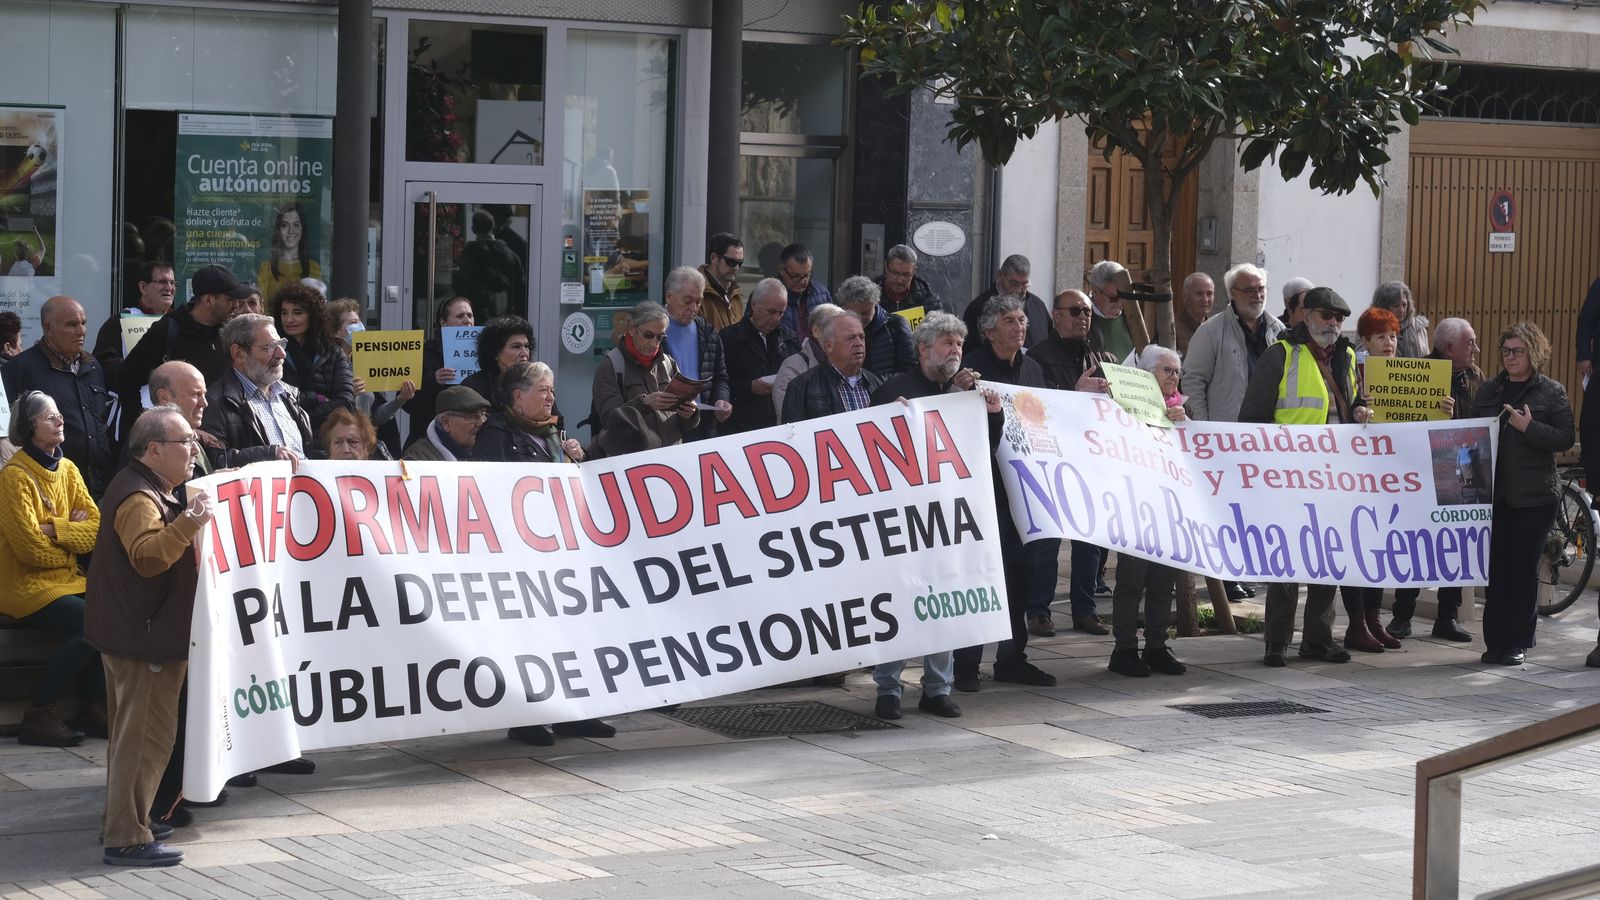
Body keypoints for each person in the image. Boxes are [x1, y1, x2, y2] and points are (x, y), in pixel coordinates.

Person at [85, 405, 212, 868]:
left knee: (132, 740)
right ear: (154, 450)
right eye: (185, 443)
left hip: (137, 634)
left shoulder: (145, 487)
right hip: (145, 640)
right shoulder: (139, 497)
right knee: (145, 741)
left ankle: (126, 823)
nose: (193, 449)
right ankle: (126, 838)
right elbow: (148, 558)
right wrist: (191, 522)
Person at [1239, 287, 1374, 667]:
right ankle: (1276, 642)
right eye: (1325, 316)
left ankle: (1318, 639)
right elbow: (1252, 418)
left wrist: (1361, 410)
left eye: (1338, 319)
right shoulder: (1280, 354)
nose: (1332, 324)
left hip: (1335, 476)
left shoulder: (1346, 356)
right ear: (1306, 316)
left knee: (1326, 557)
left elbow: (1352, 400)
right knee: (1285, 560)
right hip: (1288, 476)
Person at [866, 312, 985, 720]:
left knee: (946, 599)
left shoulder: (967, 391)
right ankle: (888, 689)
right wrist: (949, 396)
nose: (956, 350)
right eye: (947, 342)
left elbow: (983, 446)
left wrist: (994, 412)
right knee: (900, 601)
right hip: (902, 517)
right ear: (923, 348)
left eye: (959, 343)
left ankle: (937, 687)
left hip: (950, 512)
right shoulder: (893, 390)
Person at [953, 295, 1056, 690]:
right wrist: (956, 390)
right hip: (983, 488)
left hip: (1023, 490)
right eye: (1010, 320)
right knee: (980, 574)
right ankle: (965, 666)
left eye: (1023, 319)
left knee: (1021, 573)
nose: (1020, 326)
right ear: (989, 329)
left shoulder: (1031, 367)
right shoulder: (970, 370)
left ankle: (1012, 658)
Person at [0, 391, 103, 746]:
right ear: (30, 427)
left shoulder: (69, 469)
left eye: (59, 414)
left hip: (66, 580)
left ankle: (94, 706)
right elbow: (29, 549)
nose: (60, 421)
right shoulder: (15, 477)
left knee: (114, 609)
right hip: (25, 585)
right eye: (50, 417)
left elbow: (95, 530)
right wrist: (70, 549)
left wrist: (57, 529)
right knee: (91, 621)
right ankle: (39, 713)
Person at [1180, 262, 1284, 605]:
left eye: (1261, 290)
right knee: (1227, 510)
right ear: (1232, 295)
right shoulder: (1211, 331)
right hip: (1224, 436)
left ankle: (1250, 568)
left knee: (1257, 508)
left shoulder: (1278, 331)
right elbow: (1193, 380)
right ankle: (1227, 577)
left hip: (1265, 438)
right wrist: (1205, 432)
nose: (1256, 296)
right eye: (1249, 290)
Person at [1474, 323, 1573, 667]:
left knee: (1522, 570)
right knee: (1496, 571)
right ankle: (1494, 642)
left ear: (1534, 352)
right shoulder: (1489, 390)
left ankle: (1517, 641)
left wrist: (1529, 428)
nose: (1511, 357)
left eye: (1518, 351)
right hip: (1494, 495)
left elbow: (1564, 437)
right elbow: (1471, 432)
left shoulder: (1550, 392)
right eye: (1506, 351)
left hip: (1535, 497)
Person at [1025, 289, 1116, 636]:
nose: (1083, 318)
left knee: (1090, 539)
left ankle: (1085, 609)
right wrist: (1074, 394)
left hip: (1091, 457)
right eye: (1075, 311)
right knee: (1048, 541)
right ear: (1056, 315)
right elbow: (1033, 406)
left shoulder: (1104, 355)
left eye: (1088, 312)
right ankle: (1039, 611)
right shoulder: (1038, 356)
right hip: (1051, 457)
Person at [1387, 317, 1481, 642]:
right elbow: (1401, 420)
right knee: (1418, 544)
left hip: (1461, 470)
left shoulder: (1475, 378)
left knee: (1455, 546)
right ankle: (1402, 615)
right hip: (1423, 473)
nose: (1476, 349)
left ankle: (1448, 617)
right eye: (1470, 343)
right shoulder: (1419, 375)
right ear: (1447, 347)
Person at [1108, 346, 1190, 678]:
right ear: (1147, 375)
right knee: (1132, 581)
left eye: (1177, 371)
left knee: (1162, 582)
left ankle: (1156, 646)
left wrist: (1183, 425)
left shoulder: (1182, 411)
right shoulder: (1124, 409)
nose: (1174, 377)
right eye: (1167, 370)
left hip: (1168, 509)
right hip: (1135, 508)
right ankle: (1124, 649)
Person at [1336, 308, 1412, 654]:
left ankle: (1373, 618)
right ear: (1365, 340)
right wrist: (1359, 407)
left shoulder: (1409, 371)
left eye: (1393, 336)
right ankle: (1357, 622)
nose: (1389, 343)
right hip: (1357, 471)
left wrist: (1442, 409)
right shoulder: (1354, 367)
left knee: (1379, 548)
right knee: (1357, 545)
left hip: (1389, 474)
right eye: (1381, 336)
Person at [2, 296, 114, 497]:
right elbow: (10, 434)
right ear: (48, 328)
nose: (81, 331)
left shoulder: (93, 365)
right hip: (48, 487)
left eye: (83, 323)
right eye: (72, 324)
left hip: (97, 485)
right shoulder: (20, 369)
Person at [119, 264, 247, 414]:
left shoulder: (229, 333)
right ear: (209, 300)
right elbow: (126, 379)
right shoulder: (168, 329)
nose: (237, 305)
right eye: (230, 299)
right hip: (182, 435)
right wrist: (146, 421)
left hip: (224, 432)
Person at [590, 301, 700, 453]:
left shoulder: (668, 363)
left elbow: (684, 424)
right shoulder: (610, 367)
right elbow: (610, 420)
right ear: (631, 329)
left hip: (672, 457)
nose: (654, 343)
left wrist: (690, 414)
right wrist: (644, 404)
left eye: (660, 337)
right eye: (648, 336)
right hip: (633, 463)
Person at [201, 313, 313, 459]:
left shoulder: (288, 395)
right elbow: (216, 460)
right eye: (270, 347)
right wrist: (268, 455)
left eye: (281, 344)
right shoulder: (214, 402)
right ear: (238, 354)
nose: (282, 354)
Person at [719, 278, 798, 435]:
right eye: (771, 312)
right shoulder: (728, 338)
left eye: (781, 313)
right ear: (754, 304)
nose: (776, 318)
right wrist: (749, 387)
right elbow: (719, 384)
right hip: (740, 427)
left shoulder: (791, 339)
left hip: (781, 427)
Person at [273, 282, 354, 435]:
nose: (289, 319)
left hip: (327, 439)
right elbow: (275, 400)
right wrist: (318, 398)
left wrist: (304, 416)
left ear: (313, 315)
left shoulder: (333, 352)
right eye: (284, 312)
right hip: (285, 436)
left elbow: (346, 402)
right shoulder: (273, 351)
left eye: (297, 313)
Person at [661, 266, 732, 439]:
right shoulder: (652, 332)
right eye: (687, 301)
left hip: (703, 425)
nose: (694, 308)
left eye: (698, 301)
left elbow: (721, 377)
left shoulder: (708, 333)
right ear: (669, 297)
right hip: (664, 425)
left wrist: (721, 399)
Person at [781, 312, 883, 423]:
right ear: (829, 346)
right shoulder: (801, 387)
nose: (859, 343)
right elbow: (793, 435)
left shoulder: (877, 383)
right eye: (850, 338)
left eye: (862, 337)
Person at [405, 296, 476, 446]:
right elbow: (408, 403)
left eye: (470, 315)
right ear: (444, 323)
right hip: (429, 439)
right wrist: (433, 380)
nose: (467, 320)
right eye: (460, 316)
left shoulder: (484, 355)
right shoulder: (424, 353)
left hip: (472, 438)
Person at [93, 261, 176, 388]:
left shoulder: (181, 322)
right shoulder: (120, 322)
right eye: (163, 282)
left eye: (172, 283)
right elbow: (103, 365)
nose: (169, 288)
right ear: (143, 287)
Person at [962, 254, 1053, 350]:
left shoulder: (1038, 305)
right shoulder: (979, 308)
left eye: (1024, 284)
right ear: (1000, 276)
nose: (1019, 290)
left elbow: (1049, 342)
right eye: (1014, 284)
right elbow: (971, 351)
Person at [772, 303, 847, 417]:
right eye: (835, 329)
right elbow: (787, 416)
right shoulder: (793, 366)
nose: (842, 335)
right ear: (816, 331)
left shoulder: (848, 364)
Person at [835, 275, 914, 380]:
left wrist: (874, 382)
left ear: (875, 304)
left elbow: (912, 371)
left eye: (865, 313)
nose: (859, 319)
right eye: (853, 313)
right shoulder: (836, 329)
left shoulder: (896, 325)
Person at [456, 209, 525, 322]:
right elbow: (521, 285)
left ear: (473, 229)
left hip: (477, 316)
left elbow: (462, 284)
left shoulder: (471, 254)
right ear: (493, 227)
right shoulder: (510, 254)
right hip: (505, 317)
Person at [256, 203, 322, 307]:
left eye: (296, 225)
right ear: (278, 230)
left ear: (302, 228)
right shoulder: (266, 268)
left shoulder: (314, 268)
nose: (291, 231)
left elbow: (317, 307)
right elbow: (261, 308)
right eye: (285, 225)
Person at [461, 315, 533, 410]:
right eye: (516, 346)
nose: (524, 353)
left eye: (526, 346)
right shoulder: (473, 387)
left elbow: (557, 420)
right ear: (495, 353)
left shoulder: (536, 383)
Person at [402, 386, 491, 462]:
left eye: (483, 414)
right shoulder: (416, 460)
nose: (482, 422)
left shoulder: (489, 450)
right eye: (472, 416)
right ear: (446, 422)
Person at [1085, 259, 1140, 362]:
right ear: (1096, 292)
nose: (1120, 303)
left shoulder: (1132, 314)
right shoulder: (1081, 317)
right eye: (1113, 297)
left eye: (1124, 296)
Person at [777, 244, 834, 336]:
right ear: (781, 270)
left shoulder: (822, 293)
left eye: (806, 275)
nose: (802, 281)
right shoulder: (768, 295)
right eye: (795, 276)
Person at [874, 244, 944, 315]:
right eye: (895, 273)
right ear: (886, 268)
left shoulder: (927, 297)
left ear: (914, 271)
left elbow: (938, 323)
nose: (899, 280)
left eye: (906, 275)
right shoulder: (870, 294)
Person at [698, 232, 745, 331]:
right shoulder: (697, 292)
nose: (736, 268)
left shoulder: (735, 293)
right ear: (714, 258)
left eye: (740, 263)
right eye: (731, 262)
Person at [1372, 280, 1429, 358]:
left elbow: (1428, 361)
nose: (1401, 310)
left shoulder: (1419, 328)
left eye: (1404, 305)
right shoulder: (1370, 328)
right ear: (1383, 307)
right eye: (1396, 306)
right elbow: (1361, 359)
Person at [1173, 272, 1215, 357]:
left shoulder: (1217, 329)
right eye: (1199, 294)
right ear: (1185, 297)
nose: (1205, 299)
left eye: (1209, 294)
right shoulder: (1171, 329)